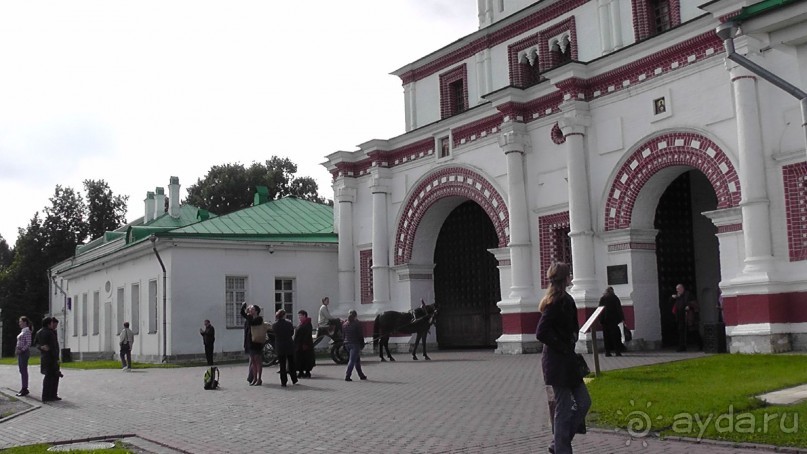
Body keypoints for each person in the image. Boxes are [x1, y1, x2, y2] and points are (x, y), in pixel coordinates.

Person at [536, 263, 590, 454]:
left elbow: (573, 326)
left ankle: (558, 442)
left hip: (568, 361)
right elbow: (541, 332)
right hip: (556, 362)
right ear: (565, 278)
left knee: (584, 402)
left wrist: (573, 338)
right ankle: (562, 449)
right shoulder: (554, 302)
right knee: (564, 407)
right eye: (569, 275)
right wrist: (562, 345)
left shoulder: (568, 300)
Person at [36, 317, 62, 402]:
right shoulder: (50, 333)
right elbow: (53, 347)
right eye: (52, 323)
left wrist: (41, 347)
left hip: (44, 357)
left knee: (48, 377)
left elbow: (35, 343)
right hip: (52, 358)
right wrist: (57, 358)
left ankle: (47, 395)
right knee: (53, 377)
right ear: (48, 324)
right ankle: (50, 395)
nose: (53, 325)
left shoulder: (39, 332)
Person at [272, 309, 297, 387]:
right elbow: (292, 332)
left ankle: (283, 381)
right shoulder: (288, 323)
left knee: (282, 365)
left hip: (280, 345)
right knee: (291, 363)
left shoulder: (275, 325)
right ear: (284, 315)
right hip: (289, 344)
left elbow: (274, 333)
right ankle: (294, 379)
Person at [242, 304, 266, 386]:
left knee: (258, 361)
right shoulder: (249, 318)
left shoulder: (259, 319)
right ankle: (254, 378)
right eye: (250, 309)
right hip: (250, 342)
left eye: (252, 309)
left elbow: (251, 322)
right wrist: (243, 308)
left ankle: (259, 379)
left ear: (256, 311)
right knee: (253, 363)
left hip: (257, 342)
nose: (250, 311)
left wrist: (247, 313)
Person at [598, 287, 625, 357]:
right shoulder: (615, 298)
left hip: (605, 321)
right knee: (615, 337)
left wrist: (601, 320)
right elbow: (619, 309)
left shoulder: (603, 299)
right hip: (613, 321)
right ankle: (617, 352)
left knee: (606, 337)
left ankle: (607, 352)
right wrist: (621, 319)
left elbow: (600, 310)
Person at [342, 310, 367, 382]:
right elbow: (360, 335)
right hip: (355, 344)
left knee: (357, 360)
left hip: (347, 344)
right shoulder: (357, 323)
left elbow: (343, 335)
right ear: (355, 315)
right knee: (352, 360)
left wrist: (344, 343)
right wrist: (362, 343)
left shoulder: (344, 324)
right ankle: (348, 375)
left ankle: (361, 375)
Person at [671, 284, 696, 352]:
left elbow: (694, 303)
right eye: (677, 289)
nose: (677, 291)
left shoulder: (688, 295)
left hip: (688, 315)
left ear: (682, 288)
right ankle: (682, 346)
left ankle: (699, 344)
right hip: (680, 316)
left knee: (692, 331)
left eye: (678, 289)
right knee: (681, 331)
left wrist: (689, 306)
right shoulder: (678, 296)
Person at [15, 316, 32, 397]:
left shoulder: (27, 331)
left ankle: (25, 388)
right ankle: (23, 387)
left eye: (20, 321)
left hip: (24, 352)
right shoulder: (22, 331)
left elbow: (28, 343)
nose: (19, 323)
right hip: (20, 352)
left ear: (25, 322)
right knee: (21, 370)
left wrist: (22, 350)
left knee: (24, 370)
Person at [294, 310, 315, 378]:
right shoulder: (301, 323)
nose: (299, 317)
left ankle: (307, 372)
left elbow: (307, 335)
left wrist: (304, 343)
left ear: (304, 316)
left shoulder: (307, 324)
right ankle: (301, 372)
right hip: (299, 344)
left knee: (306, 358)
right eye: (299, 316)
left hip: (305, 345)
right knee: (299, 359)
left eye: (301, 316)